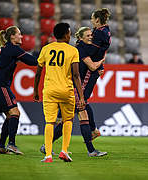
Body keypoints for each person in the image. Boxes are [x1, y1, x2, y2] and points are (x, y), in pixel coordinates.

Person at [39, 27, 107, 157]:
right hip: (75, 89)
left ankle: (48, 145)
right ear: (80, 38)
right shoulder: (79, 50)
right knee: (81, 115)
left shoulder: (84, 49)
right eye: (87, 35)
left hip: (77, 89)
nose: (90, 37)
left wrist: (98, 70)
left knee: (74, 117)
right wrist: (100, 63)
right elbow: (88, 68)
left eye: (91, 35)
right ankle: (91, 149)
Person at [33, 23, 86, 163]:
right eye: (69, 33)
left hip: (49, 90)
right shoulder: (73, 51)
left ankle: (48, 155)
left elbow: (38, 73)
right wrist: (81, 96)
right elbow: (76, 75)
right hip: (66, 91)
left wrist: (35, 91)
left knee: (49, 122)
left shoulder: (46, 49)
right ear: (66, 34)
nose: (70, 35)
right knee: (68, 120)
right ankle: (64, 151)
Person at [0, 26, 38, 155]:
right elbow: (32, 61)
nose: (21, 36)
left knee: (10, 115)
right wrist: (44, 57)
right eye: (19, 34)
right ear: (12, 36)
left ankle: (1, 146)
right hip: (1, 85)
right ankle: (11, 144)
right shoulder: (13, 49)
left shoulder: (7, 48)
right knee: (15, 113)